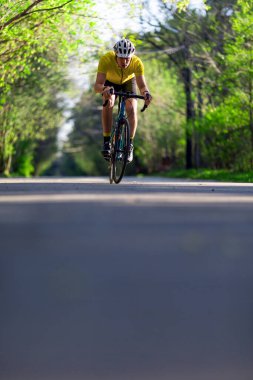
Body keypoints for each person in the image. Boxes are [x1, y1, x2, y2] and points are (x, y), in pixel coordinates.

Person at [94, 38, 152, 162]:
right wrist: (104, 89)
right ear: (115, 55)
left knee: (131, 107)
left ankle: (129, 145)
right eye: (121, 57)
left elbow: (142, 86)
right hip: (110, 84)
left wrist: (146, 93)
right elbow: (97, 86)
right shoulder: (106, 59)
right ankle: (106, 141)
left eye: (128, 58)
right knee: (108, 102)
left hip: (128, 82)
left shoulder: (137, 62)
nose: (125, 61)